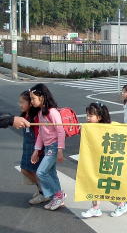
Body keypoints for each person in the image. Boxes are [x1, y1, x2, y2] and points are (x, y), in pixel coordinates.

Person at [29, 83, 66, 211]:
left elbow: (60, 131)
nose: (32, 101)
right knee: (51, 172)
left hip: (54, 147)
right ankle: (58, 195)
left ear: (42, 97)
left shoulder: (52, 112)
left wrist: (60, 149)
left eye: (33, 98)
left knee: (41, 172)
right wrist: (36, 150)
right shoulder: (41, 113)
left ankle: (58, 195)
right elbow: (40, 133)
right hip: (47, 147)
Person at [81, 103, 111, 218]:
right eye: (87, 115)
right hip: (94, 162)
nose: (87, 118)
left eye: (90, 116)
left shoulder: (106, 128)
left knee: (106, 187)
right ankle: (95, 208)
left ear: (99, 117)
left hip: (104, 162)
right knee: (96, 184)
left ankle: (121, 204)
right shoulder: (89, 127)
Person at [19, 91, 45, 204]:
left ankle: (44, 192)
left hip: (34, 148)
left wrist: (37, 150)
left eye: (22, 102)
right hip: (27, 148)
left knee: (27, 170)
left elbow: (41, 134)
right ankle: (42, 191)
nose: (20, 104)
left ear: (30, 103)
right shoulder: (26, 115)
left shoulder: (35, 117)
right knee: (29, 170)